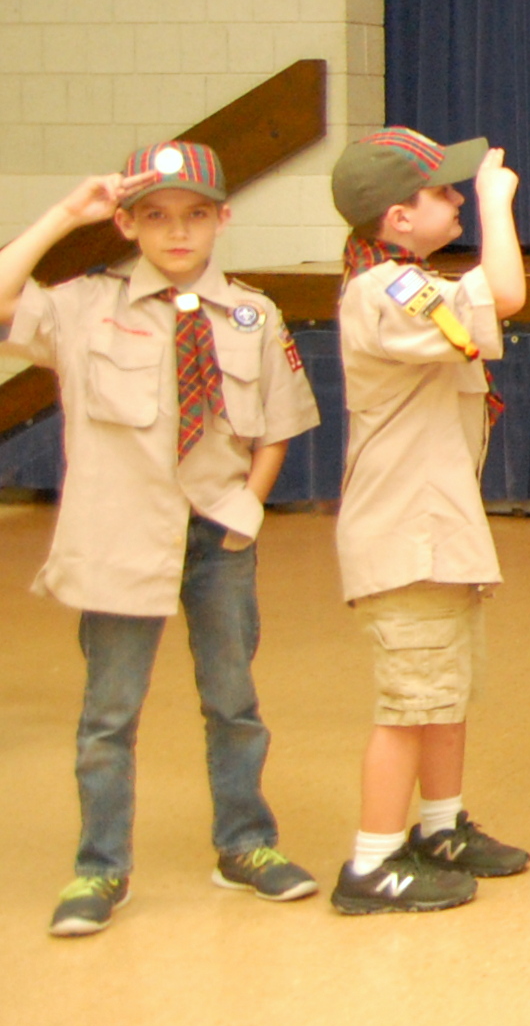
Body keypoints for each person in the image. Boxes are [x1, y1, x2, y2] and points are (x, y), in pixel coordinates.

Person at [4, 143, 324, 937]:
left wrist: (245, 508)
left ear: (222, 218)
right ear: (126, 223)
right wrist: (60, 217)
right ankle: (99, 867)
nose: (176, 233)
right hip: (119, 537)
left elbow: (279, 426)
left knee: (234, 702)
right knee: (108, 714)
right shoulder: (85, 305)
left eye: (194, 215)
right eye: (155, 216)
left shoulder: (252, 313)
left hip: (215, 536)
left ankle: (245, 845)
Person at [326, 129, 530, 915]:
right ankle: (372, 863)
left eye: (459, 188)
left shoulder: (406, 282)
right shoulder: (384, 291)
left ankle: (440, 826)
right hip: (405, 536)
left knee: (444, 693)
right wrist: (495, 200)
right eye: (441, 191)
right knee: (409, 704)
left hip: (437, 530)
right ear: (394, 220)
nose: (455, 198)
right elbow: (505, 295)